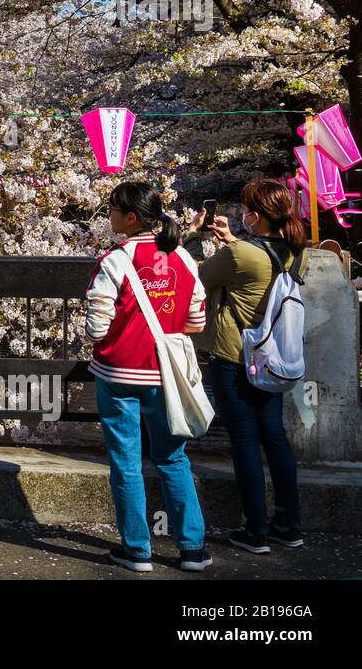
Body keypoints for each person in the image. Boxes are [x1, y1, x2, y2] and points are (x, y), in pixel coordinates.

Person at [85, 181, 211, 573]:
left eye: (113, 210)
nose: (109, 217)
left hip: (120, 370)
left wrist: (109, 332)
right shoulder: (184, 259)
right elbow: (196, 320)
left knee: (125, 461)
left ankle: (137, 549)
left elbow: (96, 325)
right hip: (166, 374)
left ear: (132, 217)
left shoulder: (116, 259)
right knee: (173, 459)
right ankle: (192, 548)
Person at [184, 180, 305, 553]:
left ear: (255, 214)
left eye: (246, 209)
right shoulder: (292, 251)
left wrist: (192, 233)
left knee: (245, 444)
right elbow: (253, 262)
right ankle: (288, 524)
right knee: (275, 438)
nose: (242, 214)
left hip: (235, 359)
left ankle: (254, 531)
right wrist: (232, 239)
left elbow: (194, 277)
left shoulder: (241, 255)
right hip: (273, 361)